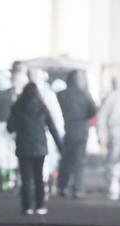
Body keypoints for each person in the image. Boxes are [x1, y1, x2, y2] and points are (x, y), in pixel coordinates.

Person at [7, 82, 63, 215]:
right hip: (40, 147)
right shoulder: (42, 107)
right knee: (39, 178)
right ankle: (40, 205)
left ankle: (27, 207)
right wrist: (60, 146)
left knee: (26, 178)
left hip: (23, 147)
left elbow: (10, 128)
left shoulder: (17, 107)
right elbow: (52, 128)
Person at [57, 70, 97, 198]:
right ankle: (77, 188)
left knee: (66, 159)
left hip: (67, 129)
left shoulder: (61, 94)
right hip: (82, 130)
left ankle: (62, 186)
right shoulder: (85, 94)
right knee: (79, 160)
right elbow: (93, 110)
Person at [29, 68, 65, 196]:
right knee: (47, 161)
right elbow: (56, 116)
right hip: (46, 134)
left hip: (30, 135)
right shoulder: (49, 95)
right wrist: (60, 133)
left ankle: (38, 188)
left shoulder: (25, 95)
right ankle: (44, 187)